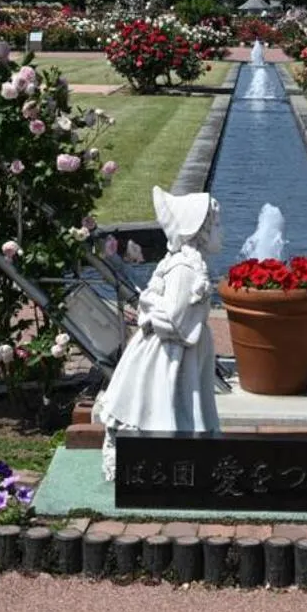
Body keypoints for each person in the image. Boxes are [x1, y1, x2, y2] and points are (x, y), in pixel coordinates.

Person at [92, 187, 222, 481]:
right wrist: (154, 306)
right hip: (168, 353)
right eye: (216, 225)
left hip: (180, 349)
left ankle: (175, 460)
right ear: (198, 231)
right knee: (163, 402)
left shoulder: (187, 265)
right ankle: (163, 462)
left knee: (178, 403)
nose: (220, 231)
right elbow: (175, 321)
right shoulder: (185, 269)